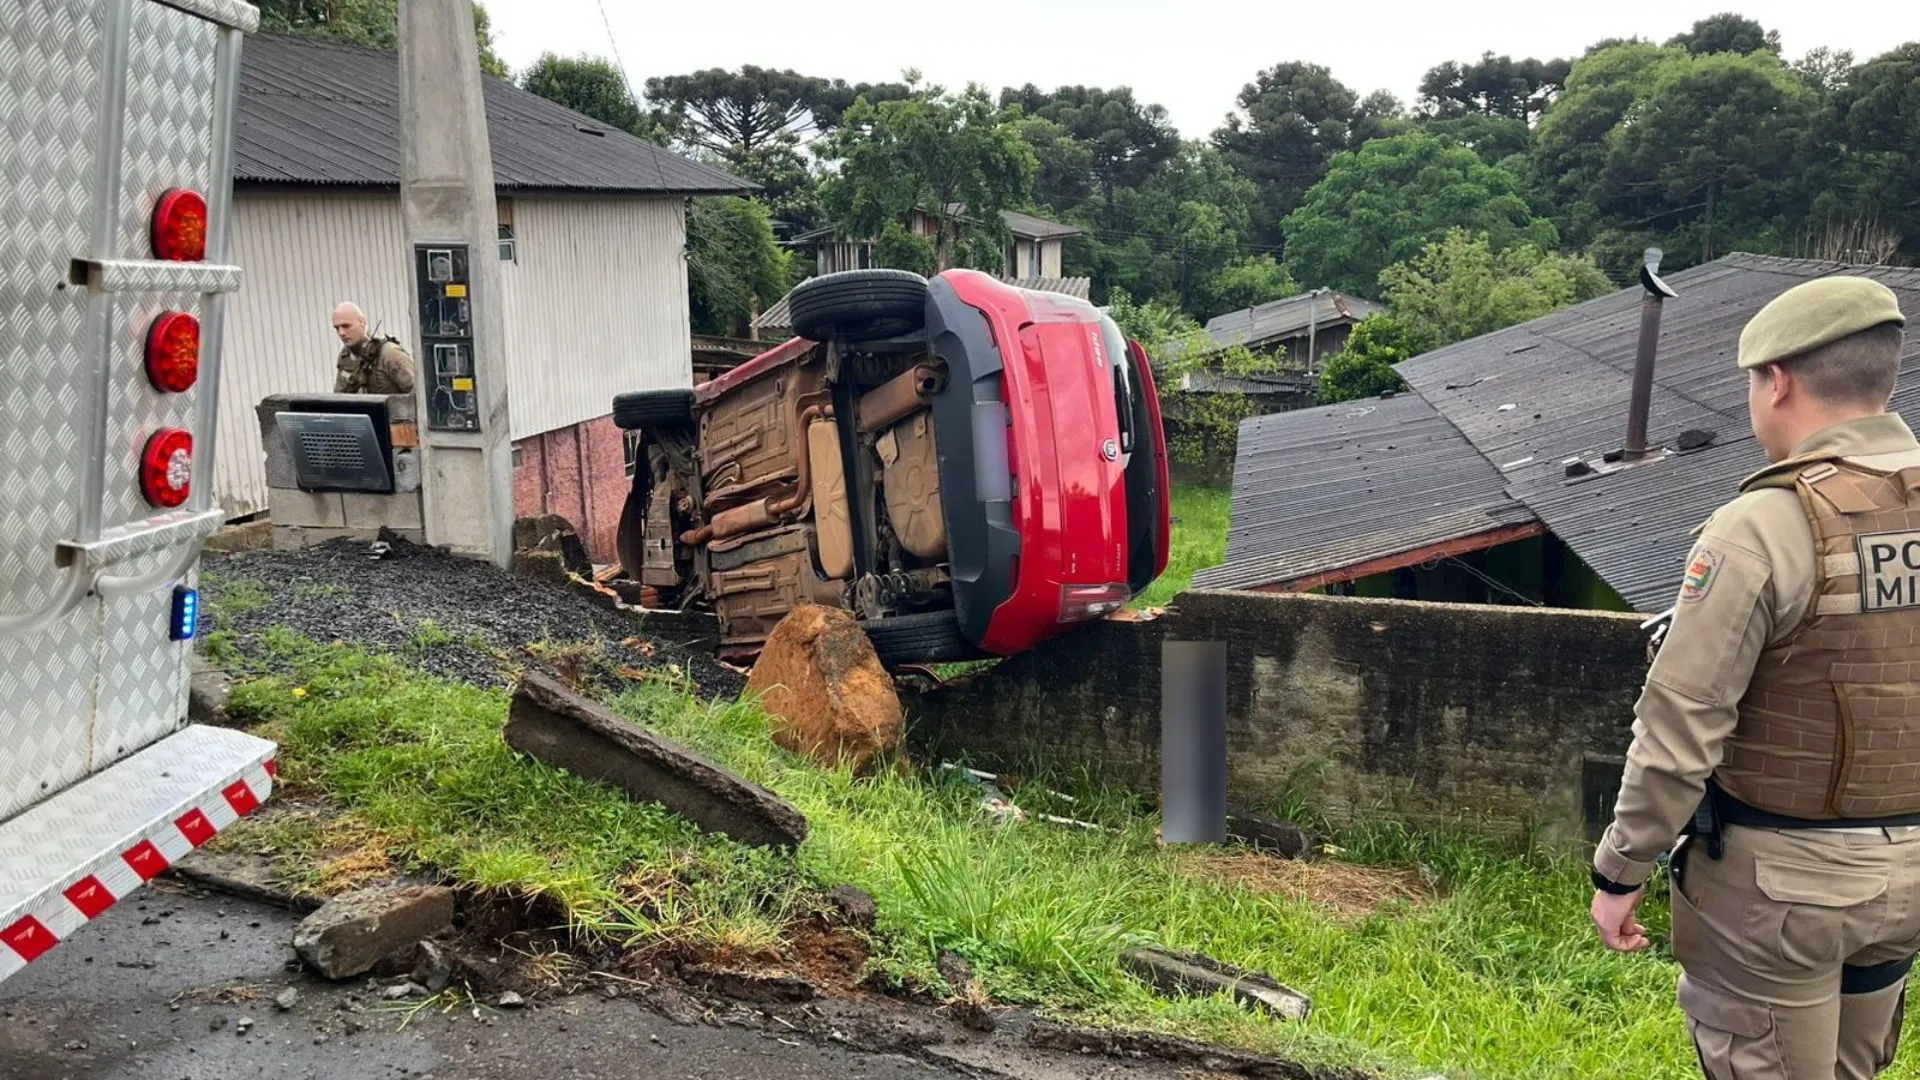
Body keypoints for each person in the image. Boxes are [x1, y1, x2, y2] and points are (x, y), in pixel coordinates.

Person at [1590, 275, 1916, 1079]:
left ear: (1778, 381)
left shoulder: (1763, 527)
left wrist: (1621, 869)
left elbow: (1680, 727)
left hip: (1781, 891)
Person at [331, 301, 415, 395]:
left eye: (346, 326)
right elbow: (340, 396)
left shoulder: (390, 354)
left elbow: (420, 395)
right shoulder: (346, 357)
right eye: (337, 328)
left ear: (362, 323)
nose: (341, 333)